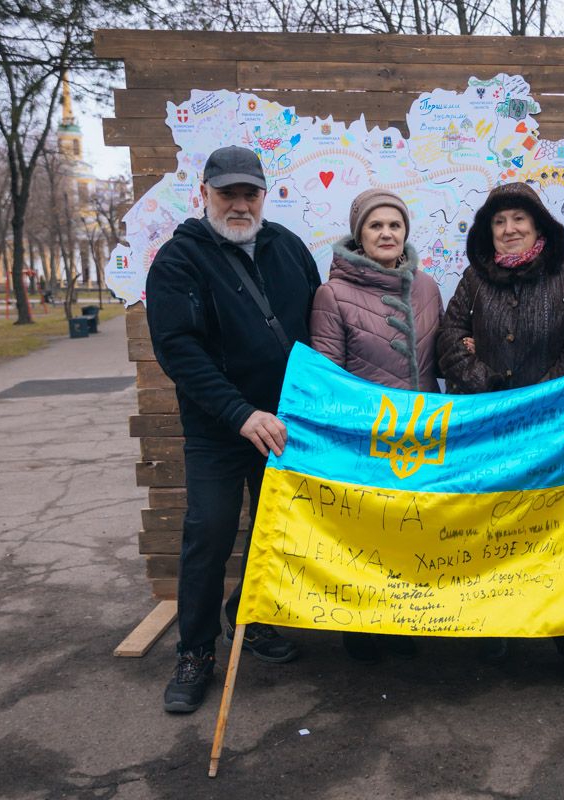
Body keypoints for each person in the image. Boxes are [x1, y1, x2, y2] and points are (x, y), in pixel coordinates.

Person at [146, 145, 321, 713]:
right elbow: (180, 352)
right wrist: (241, 414)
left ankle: (248, 617)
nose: (239, 204)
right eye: (228, 194)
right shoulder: (178, 262)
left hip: (286, 428)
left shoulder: (288, 248)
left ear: (264, 196)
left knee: (277, 535)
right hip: (222, 430)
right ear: (205, 195)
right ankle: (194, 652)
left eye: (250, 193)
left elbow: (316, 329)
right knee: (210, 536)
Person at [437, 181, 564, 690]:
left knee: (557, 535)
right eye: (498, 222)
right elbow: (448, 340)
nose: (508, 230)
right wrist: (489, 385)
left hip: (553, 431)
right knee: (496, 532)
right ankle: (497, 626)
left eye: (518, 221)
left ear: (538, 227)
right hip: (488, 429)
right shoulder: (475, 278)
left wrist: (534, 400)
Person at [310, 188, 443, 663]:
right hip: (365, 441)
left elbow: (439, 359)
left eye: (395, 225)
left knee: (411, 532)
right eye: (375, 225)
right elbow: (328, 377)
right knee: (368, 537)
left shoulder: (427, 287)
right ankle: (364, 628)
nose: (386, 233)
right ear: (359, 235)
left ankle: (406, 620)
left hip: (421, 437)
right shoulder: (333, 294)